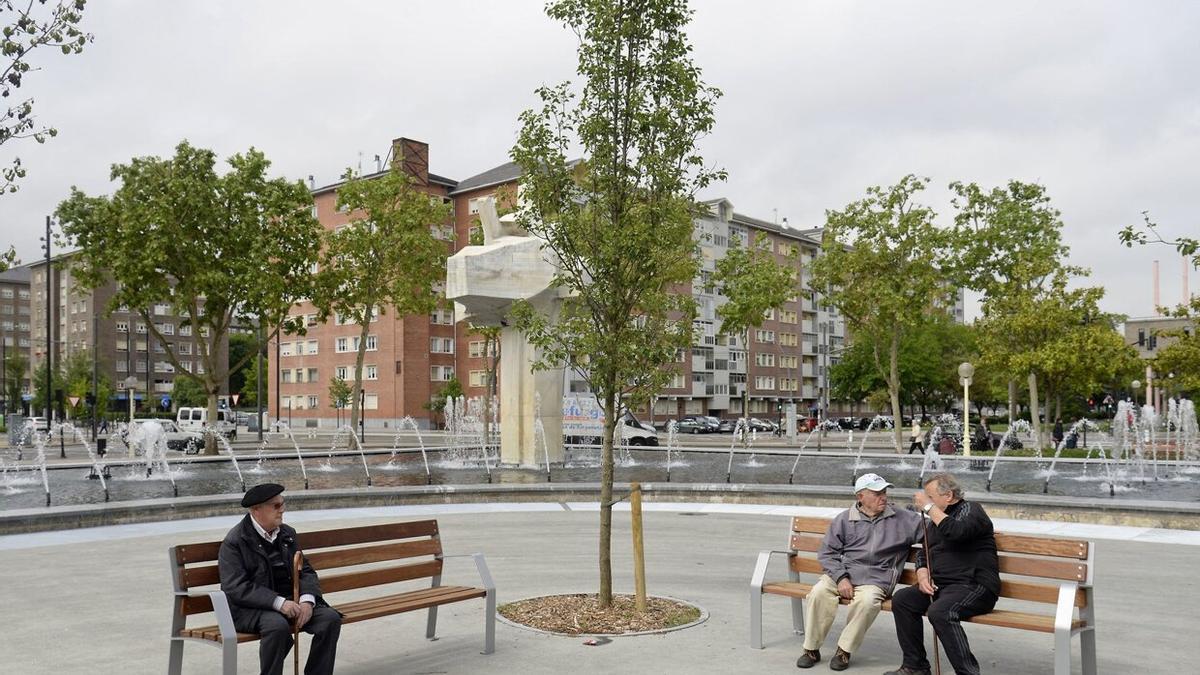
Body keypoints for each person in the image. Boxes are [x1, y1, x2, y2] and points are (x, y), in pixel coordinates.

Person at [796, 473, 922, 671]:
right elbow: (828, 553)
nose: (884, 497)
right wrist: (841, 578)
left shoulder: (903, 518)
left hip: (877, 579)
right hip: (843, 574)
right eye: (876, 493)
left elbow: (936, 535)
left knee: (867, 601)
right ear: (860, 497)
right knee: (818, 592)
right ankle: (811, 648)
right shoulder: (844, 519)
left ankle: (844, 650)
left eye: (884, 492)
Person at [219, 483, 342, 675]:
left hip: (291, 603)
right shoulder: (235, 541)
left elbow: (306, 570)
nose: (282, 509)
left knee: (330, 619)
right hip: (251, 609)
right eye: (276, 506)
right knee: (277, 626)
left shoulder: (287, 533)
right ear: (256, 509)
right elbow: (236, 587)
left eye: (283, 503)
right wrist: (279, 603)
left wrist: (307, 600)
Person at [884, 473, 999, 675]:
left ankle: (968, 672)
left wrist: (929, 508)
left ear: (948, 496)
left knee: (941, 612)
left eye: (930, 497)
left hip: (974, 585)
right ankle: (915, 666)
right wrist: (922, 575)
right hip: (943, 586)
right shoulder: (934, 522)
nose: (926, 503)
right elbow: (924, 552)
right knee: (902, 600)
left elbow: (957, 532)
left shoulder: (972, 510)